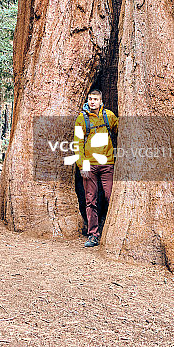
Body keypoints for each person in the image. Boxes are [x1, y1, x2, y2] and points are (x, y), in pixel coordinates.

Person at [75, 89, 118, 247]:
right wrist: (82, 165)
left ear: (101, 101)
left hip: (107, 163)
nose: (92, 102)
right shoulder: (82, 119)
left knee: (110, 196)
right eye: (90, 99)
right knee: (90, 200)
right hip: (90, 165)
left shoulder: (109, 116)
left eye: (95, 99)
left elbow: (120, 131)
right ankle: (93, 234)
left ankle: (112, 230)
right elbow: (78, 143)